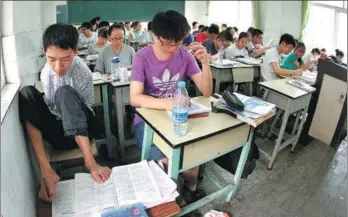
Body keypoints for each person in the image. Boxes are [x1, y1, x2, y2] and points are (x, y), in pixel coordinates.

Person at [18, 24, 111, 202]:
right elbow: (53, 108)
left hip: (84, 129)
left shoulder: (82, 71)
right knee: (27, 93)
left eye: (65, 59)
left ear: (76, 51)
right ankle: (46, 171)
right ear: (44, 51)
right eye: (51, 58)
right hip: (61, 133)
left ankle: (90, 161)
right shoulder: (46, 72)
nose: (58, 66)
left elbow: (84, 109)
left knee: (64, 92)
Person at [130, 10, 212, 204]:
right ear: (156, 36)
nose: (174, 47)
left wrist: (206, 63)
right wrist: (170, 103)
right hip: (148, 121)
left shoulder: (184, 55)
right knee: (166, 165)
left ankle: (190, 191)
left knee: (191, 162)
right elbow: (134, 98)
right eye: (169, 42)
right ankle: (173, 199)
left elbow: (206, 91)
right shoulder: (142, 57)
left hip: (179, 118)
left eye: (179, 41)